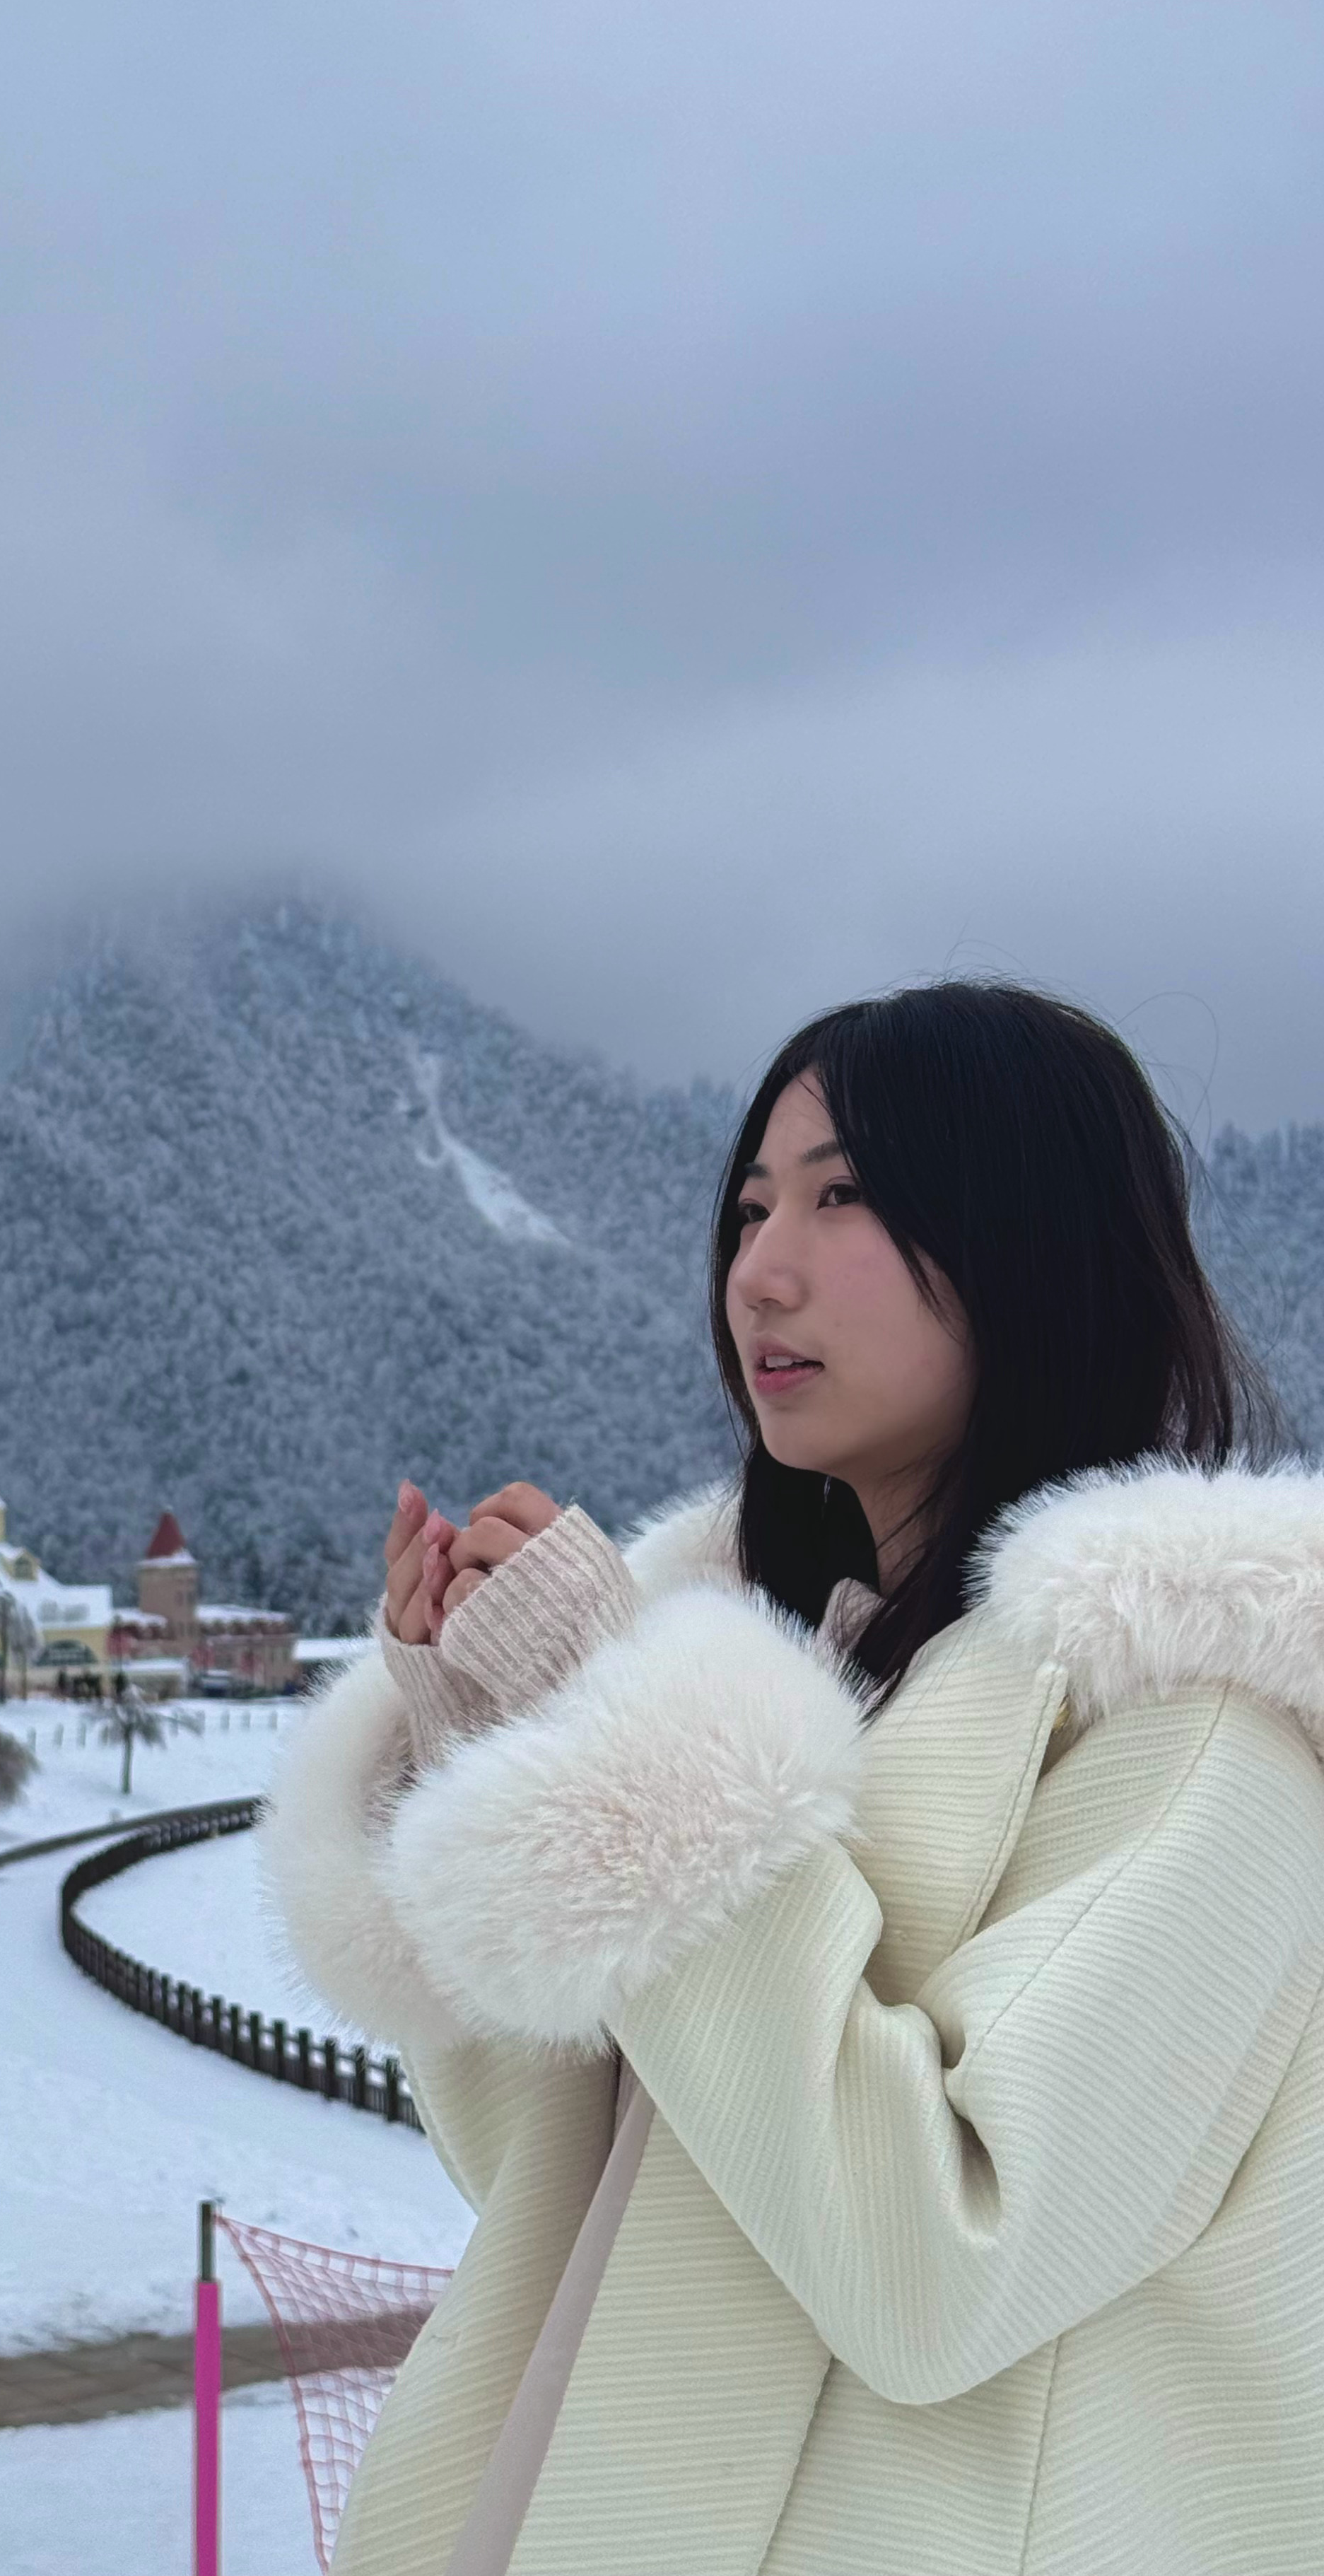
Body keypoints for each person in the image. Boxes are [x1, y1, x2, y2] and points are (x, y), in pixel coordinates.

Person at [263, 981, 1324, 2575]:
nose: (760, 1268)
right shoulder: (841, 1674)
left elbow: (940, 2264)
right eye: (753, 1205)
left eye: (846, 1198)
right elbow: (564, 2180)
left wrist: (621, 1722)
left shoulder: (1193, 1731)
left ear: (1032, 1236)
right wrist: (494, 1732)